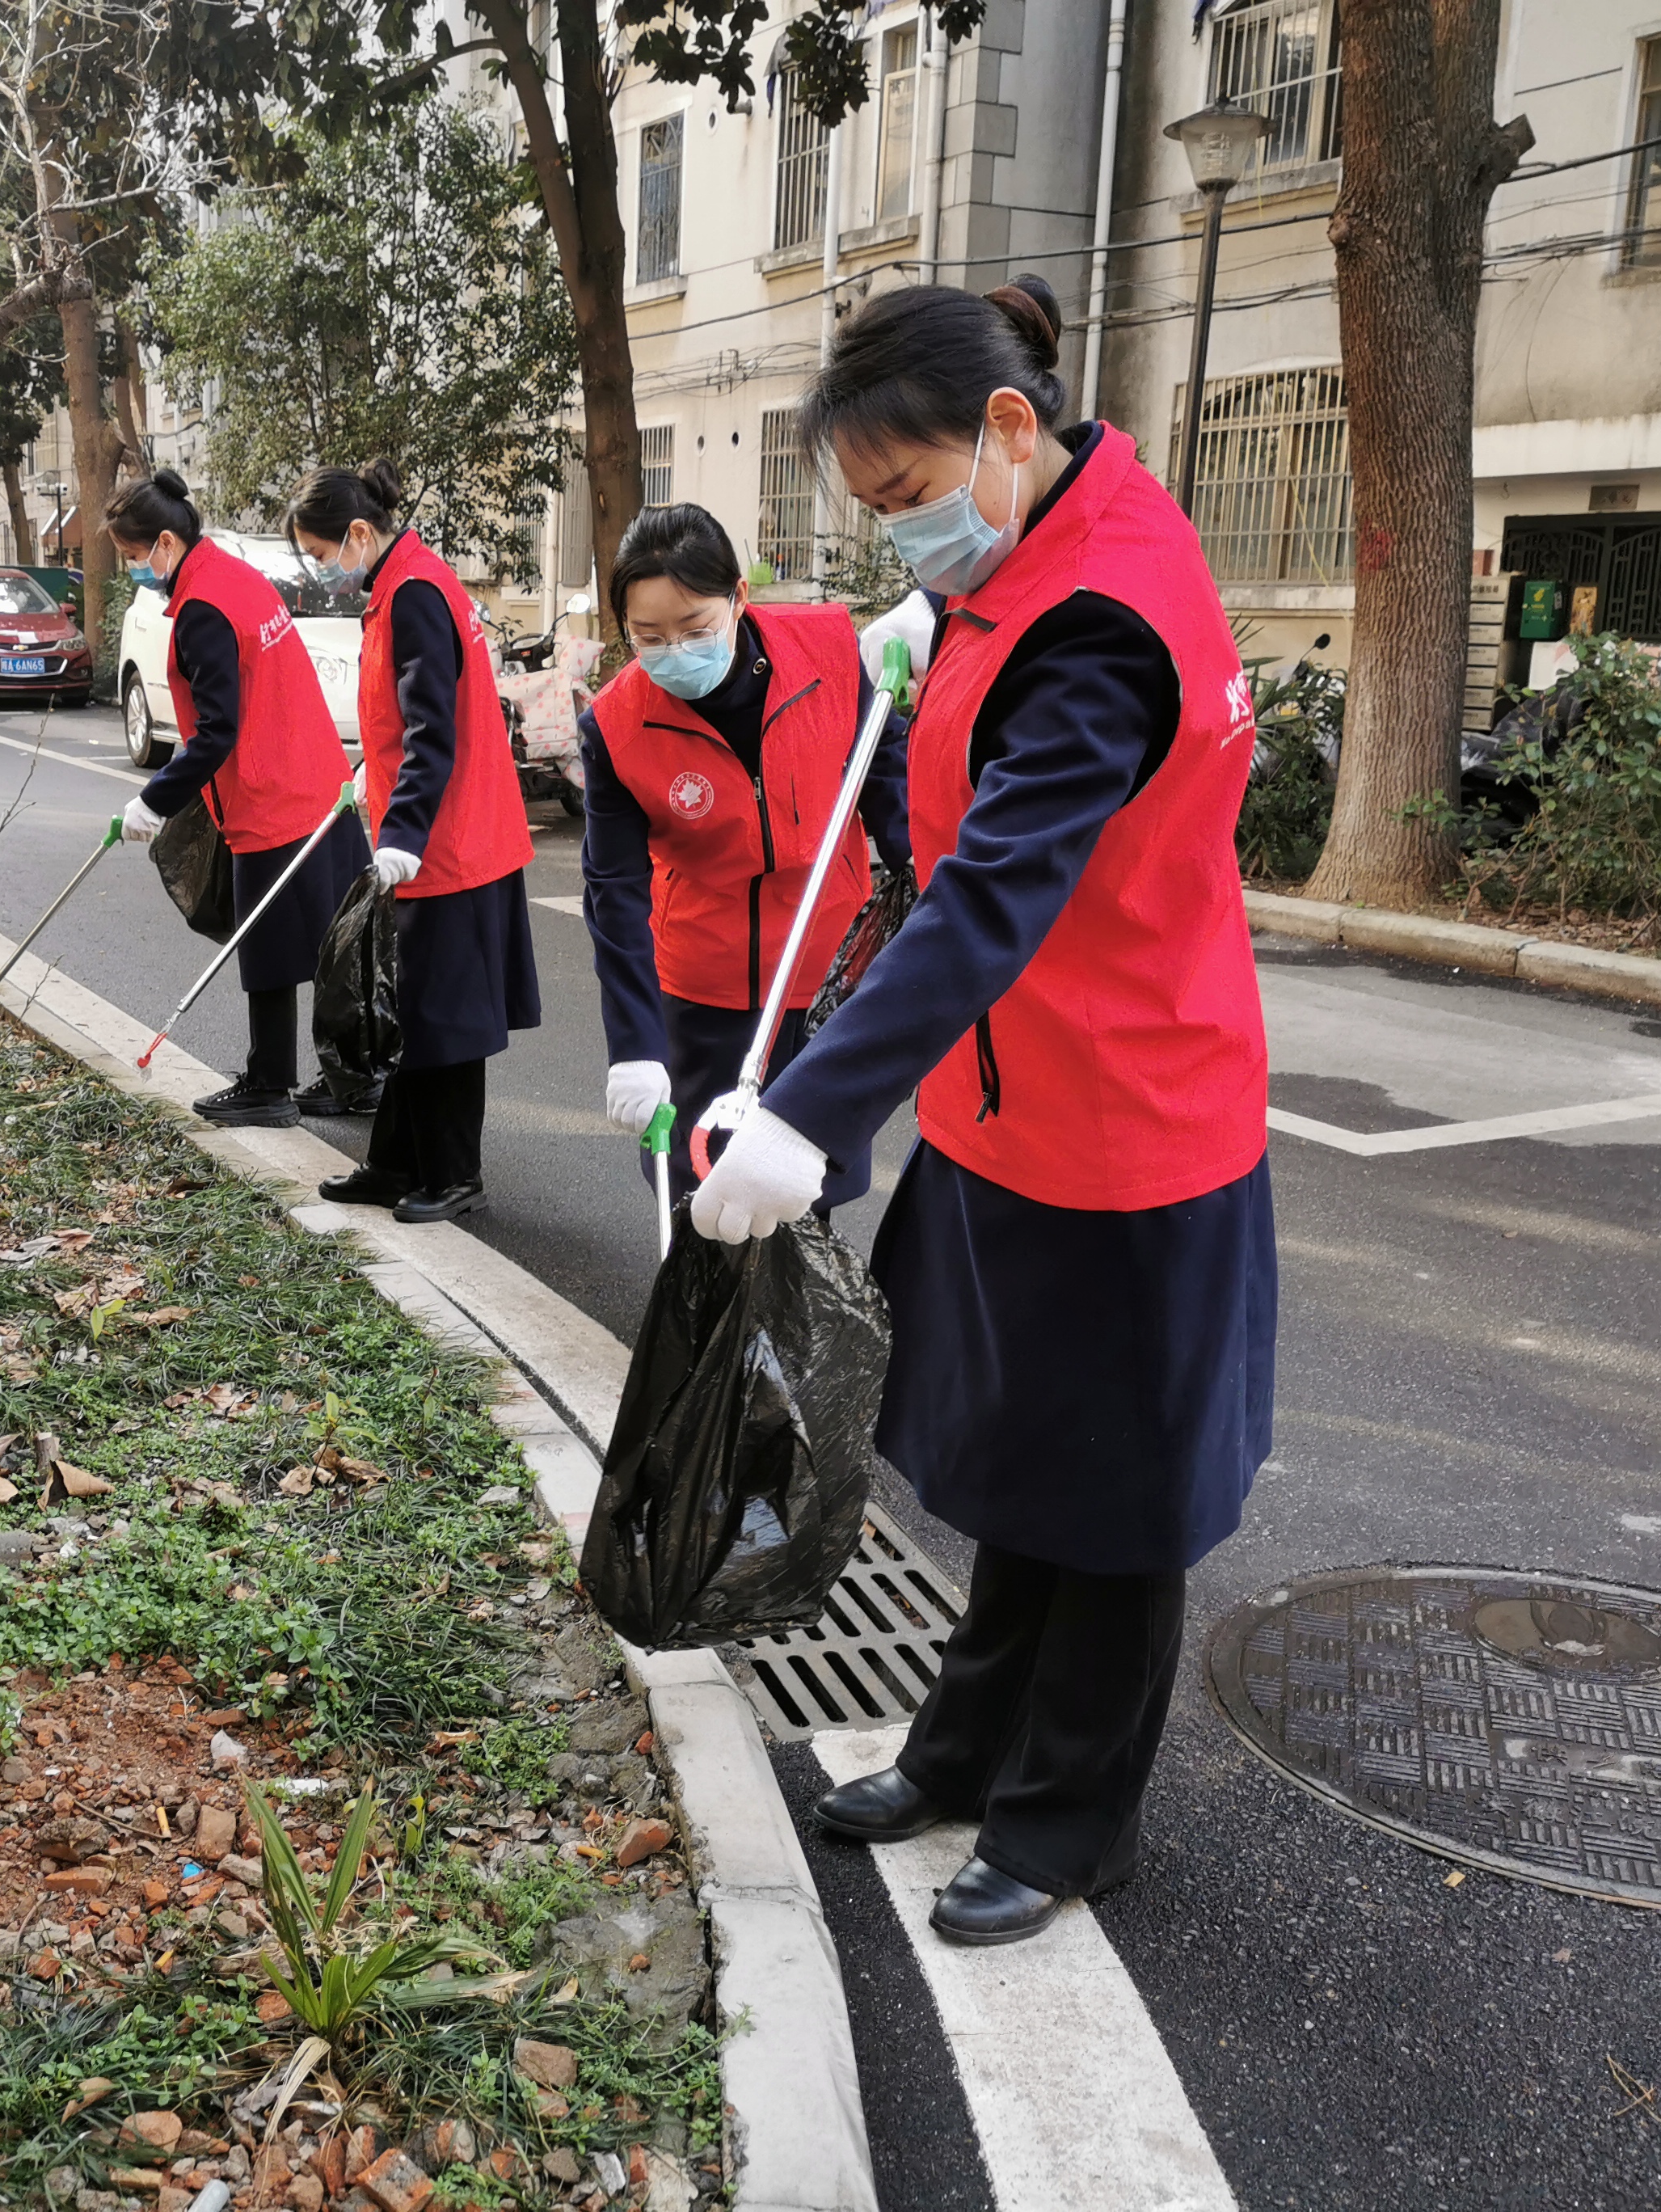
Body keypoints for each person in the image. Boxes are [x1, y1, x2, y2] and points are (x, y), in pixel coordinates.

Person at [684, 278, 1276, 1947]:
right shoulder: (1031, 557)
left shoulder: (1100, 619)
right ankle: (960, 1753)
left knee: (1113, 1504)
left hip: (1129, 1127)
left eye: (902, 501)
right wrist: (936, 636)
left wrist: (808, 1107)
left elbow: (991, 898)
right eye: (872, 516)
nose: (900, 541)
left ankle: (1072, 1819)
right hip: (1017, 1106)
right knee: (1020, 1473)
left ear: (1006, 432)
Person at [577, 504, 910, 1205]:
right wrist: (634, 1044)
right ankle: (706, 1309)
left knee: (810, 1167)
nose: (675, 651)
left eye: (695, 628)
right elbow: (615, 891)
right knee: (701, 1170)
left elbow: (884, 772)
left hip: (825, 968)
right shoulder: (615, 726)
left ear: (738, 598)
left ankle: (788, 1309)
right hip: (706, 978)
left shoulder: (824, 649)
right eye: (649, 637)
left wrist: (927, 876)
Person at [285, 461, 539, 1222]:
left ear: (358, 534)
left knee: (445, 1018)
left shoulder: (416, 595)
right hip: (437, 835)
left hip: (450, 845)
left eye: (325, 556)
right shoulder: (406, 584)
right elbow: (408, 718)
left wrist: (402, 831)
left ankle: (456, 1175)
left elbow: (435, 730)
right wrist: (371, 774)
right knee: (416, 1010)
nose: (325, 571)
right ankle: (395, 1162)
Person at [108, 469, 369, 1127]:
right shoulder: (233, 574)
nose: (136, 570)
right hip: (316, 775)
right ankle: (356, 1074)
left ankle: (269, 1084)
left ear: (166, 543)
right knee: (336, 939)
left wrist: (156, 800)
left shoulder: (201, 609)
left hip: (269, 792)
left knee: (269, 948)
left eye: (135, 558)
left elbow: (217, 728)